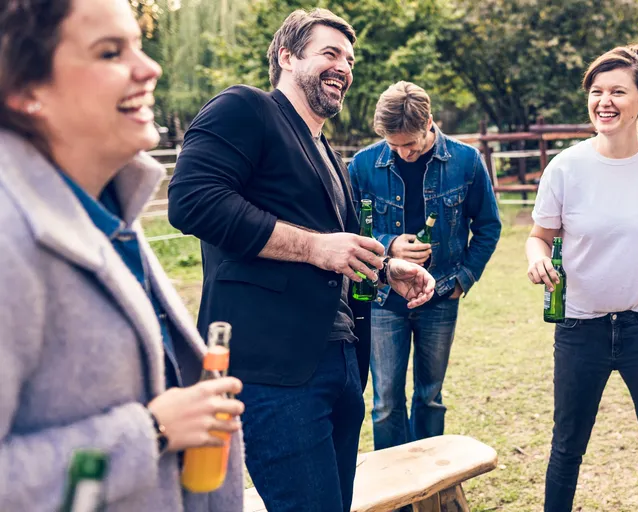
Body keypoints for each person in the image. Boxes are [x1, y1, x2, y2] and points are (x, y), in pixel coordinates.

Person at [167, 9, 436, 512]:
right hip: (275, 371)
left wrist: (384, 270)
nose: (344, 68)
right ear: (287, 57)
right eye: (330, 53)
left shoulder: (329, 153)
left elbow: (338, 247)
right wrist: (315, 247)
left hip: (340, 362)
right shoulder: (244, 108)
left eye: (350, 60)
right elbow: (193, 200)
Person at [0, 0, 246, 510]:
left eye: (139, 43)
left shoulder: (105, 201)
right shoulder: (9, 237)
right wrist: (151, 433)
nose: (150, 67)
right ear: (24, 89)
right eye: (110, 52)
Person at [526, 44, 638, 512]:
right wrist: (537, 258)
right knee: (568, 447)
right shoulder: (565, 166)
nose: (604, 101)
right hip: (580, 329)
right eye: (596, 91)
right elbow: (539, 237)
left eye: (618, 91)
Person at [348, 81, 501, 450]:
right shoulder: (362, 164)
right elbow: (348, 227)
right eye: (393, 144)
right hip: (383, 299)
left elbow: (488, 226)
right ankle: (396, 499)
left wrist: (463, 279)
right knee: (385, 404)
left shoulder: (466, 161)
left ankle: (428, 490)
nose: (403, 152)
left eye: (410, 143)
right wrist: (389, 245)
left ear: (429, 122)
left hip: (442, 297)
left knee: (430, 398)